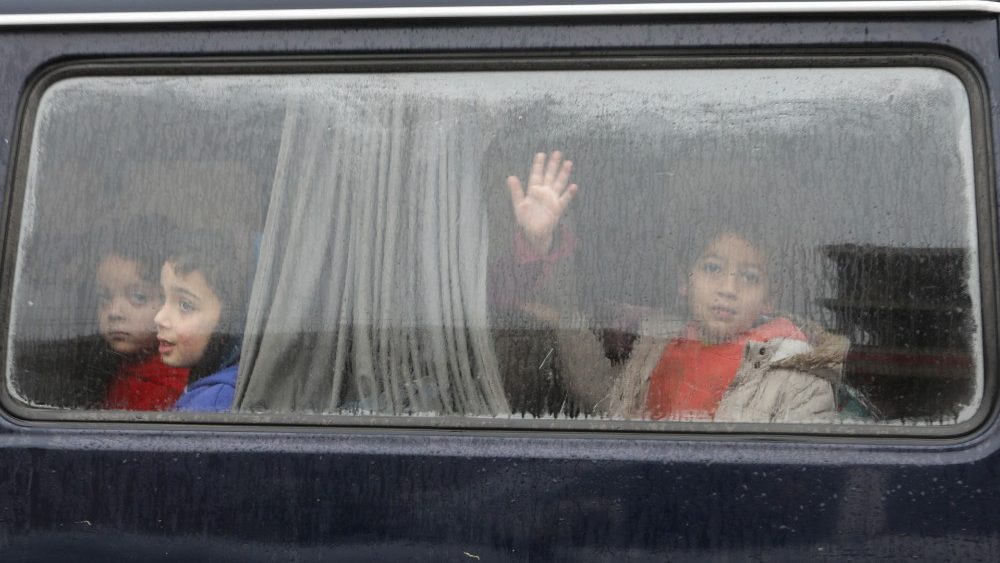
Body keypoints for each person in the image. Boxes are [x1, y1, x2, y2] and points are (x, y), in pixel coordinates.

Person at [505, 151, 839, 422]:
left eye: (749, 276)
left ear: (769, 298)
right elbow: (606, 398)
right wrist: (542, 249)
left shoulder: (798, 376)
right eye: (713, 268)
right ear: (684, 280)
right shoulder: (658, 348)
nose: (728, 287)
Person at [96, 216, 189, 410]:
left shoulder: (168, 385)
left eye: (138, 297)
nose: (114, 312)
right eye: (105, 297)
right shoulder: (126, 366)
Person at [154, 230, 251, 412]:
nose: (159, 318)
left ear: (225, 320)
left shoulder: (213, 403)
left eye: (185, 305)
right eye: (162, 298)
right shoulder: (216, 384)